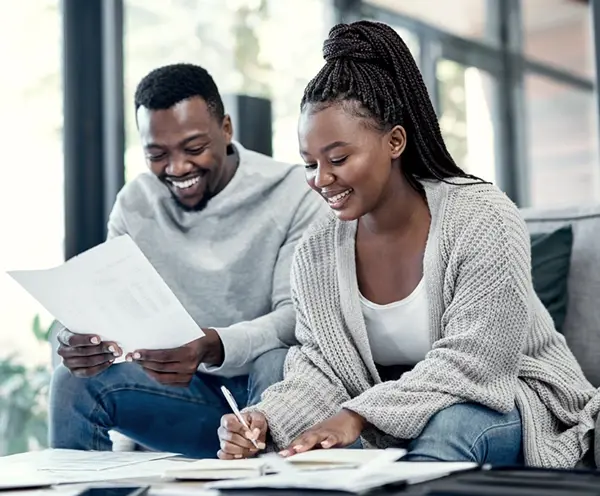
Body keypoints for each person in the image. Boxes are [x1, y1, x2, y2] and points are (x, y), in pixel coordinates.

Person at [217, 21, 600, 468]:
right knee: (297, 448)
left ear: (395, 141)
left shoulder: (482, 218)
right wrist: (264, 417)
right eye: (309, 163)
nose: (320, 179)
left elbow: (475, 364)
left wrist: (357, 415)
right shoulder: (317, 251)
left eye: (338, 159)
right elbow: (321, 367)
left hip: (512, 396)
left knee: (452, 426)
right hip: (388, 412)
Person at [49, 63, 326, 458]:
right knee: (72, 381)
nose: (177, 168)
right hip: (185, 397)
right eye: (157, 154)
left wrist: (214, 344)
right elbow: (103, 303)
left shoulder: (293, 193)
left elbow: (295, 318)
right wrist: (78, 339)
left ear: (226, 129)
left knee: (278, 359)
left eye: (194, 149)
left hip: (270, 398)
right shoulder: (136, 201)